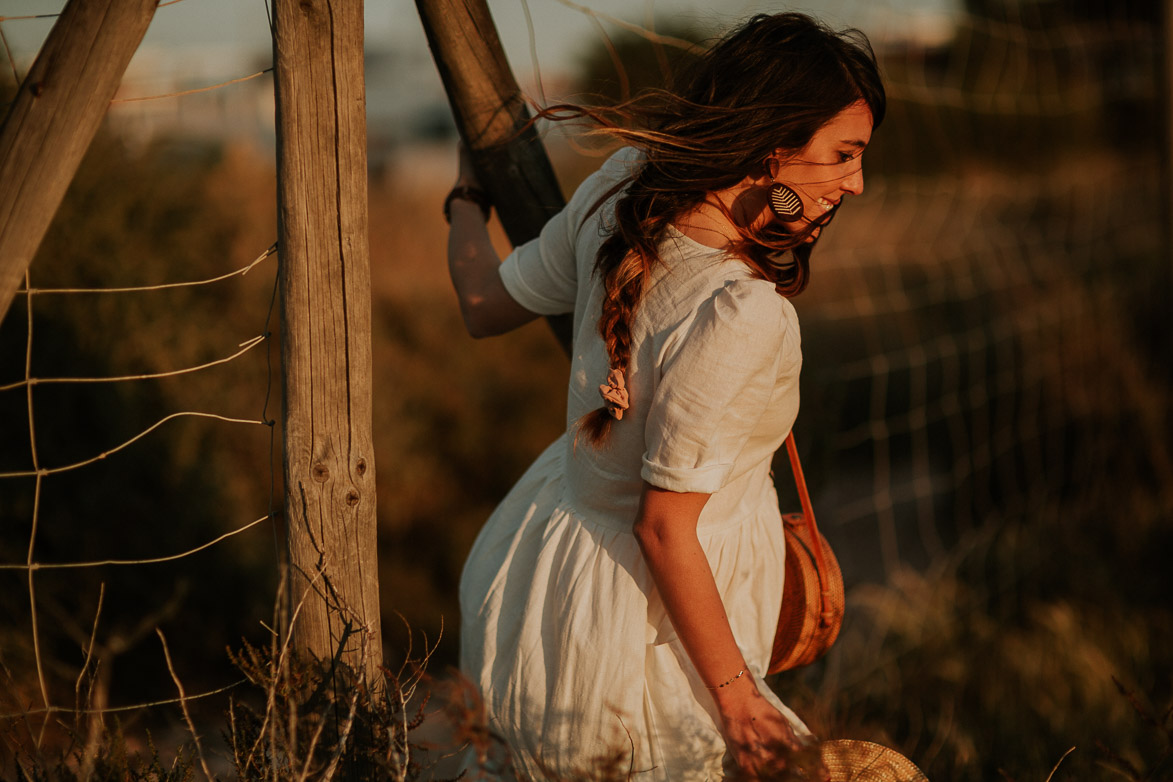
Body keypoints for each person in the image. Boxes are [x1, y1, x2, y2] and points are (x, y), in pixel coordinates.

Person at [444, 12, 885, 780]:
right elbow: (663, 529)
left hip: (550, 565)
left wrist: (463, 200)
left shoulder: (623, 181)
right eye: (844, 155)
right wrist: (739, 703)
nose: (855, 181)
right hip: (648, 624)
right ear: (775, 151)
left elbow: (482, 304)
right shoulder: (741, 312)